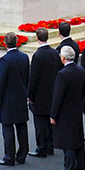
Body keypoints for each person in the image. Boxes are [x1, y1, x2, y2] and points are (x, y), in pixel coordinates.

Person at [0, 31, 30, 166]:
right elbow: (27, 77)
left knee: (8, 127)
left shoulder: (5, 60)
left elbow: (1, 81)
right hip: (21, 96)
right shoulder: (24, 57)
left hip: (9, 99)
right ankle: (22, 154)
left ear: (5, 44)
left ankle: (9, 156)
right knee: (21, 125)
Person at [52, 44, 85, 170]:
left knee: (68, 142)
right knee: (77, 138)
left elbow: (58, 97)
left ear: (64, 57)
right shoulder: (80, 70)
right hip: (76, 109)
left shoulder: (62, 74)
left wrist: (53, 114)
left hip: (65, 112)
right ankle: (80, 167)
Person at [28, 27, 59, 159]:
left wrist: (30, 95)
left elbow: (33, 77)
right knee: (50, 122)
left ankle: (41, 148)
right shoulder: (55, 53)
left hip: (40, 95)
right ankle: (50, 146)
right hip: (52, 93)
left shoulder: (38, 55)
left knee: (40, 124)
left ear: (37, 38)